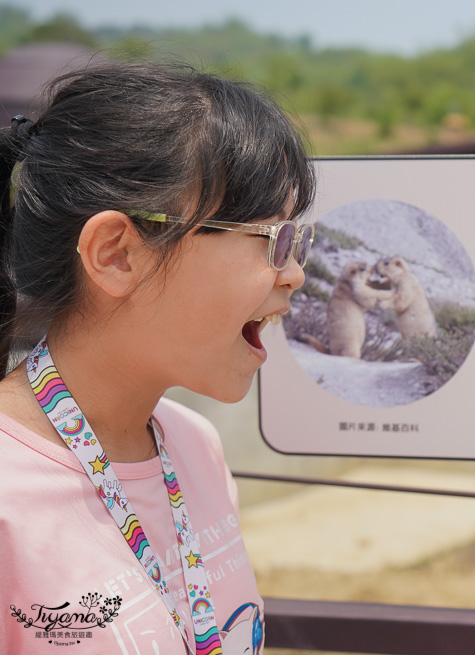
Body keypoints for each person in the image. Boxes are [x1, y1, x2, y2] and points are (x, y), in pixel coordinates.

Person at [0, 61, 315, 655]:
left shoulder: (194, 445)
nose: (295, 275)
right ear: (117, 254)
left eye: (299, 240)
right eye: (271, 240)